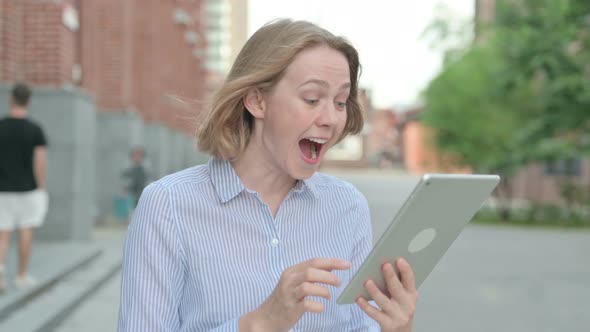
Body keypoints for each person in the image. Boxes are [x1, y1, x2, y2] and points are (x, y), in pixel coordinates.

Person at [119, 19, 418, 331]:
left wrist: (396, 328)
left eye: (340, 102)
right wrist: (257, 324)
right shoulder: (168, 205)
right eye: (312, 99)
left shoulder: (348, 206)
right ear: (256, 101)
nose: (331, 118)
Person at [0, 83, 49, 292]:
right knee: (26, 231)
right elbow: (39, 162)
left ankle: (0, 274)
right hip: (28, 189)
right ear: (28, 102)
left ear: (11, 99)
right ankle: (21, 275)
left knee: (3, 233)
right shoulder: (35, 130)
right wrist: (41, 187)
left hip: (2, 189)